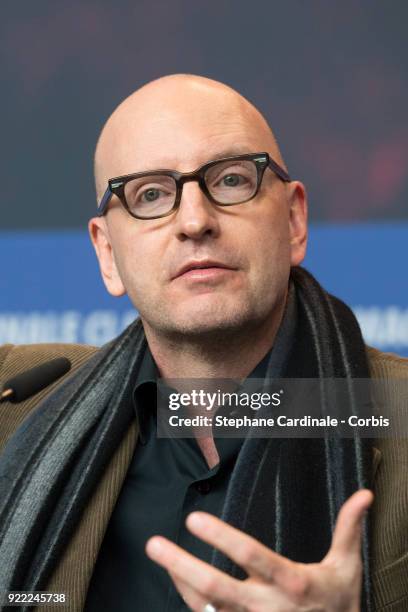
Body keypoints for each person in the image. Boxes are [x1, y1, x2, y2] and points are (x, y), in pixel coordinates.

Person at [0, 74, 407, 612]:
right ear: (106, 254)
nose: (194, 221)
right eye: (149, 194)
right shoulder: (16, 408)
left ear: (293, 221)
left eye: (233, 180)